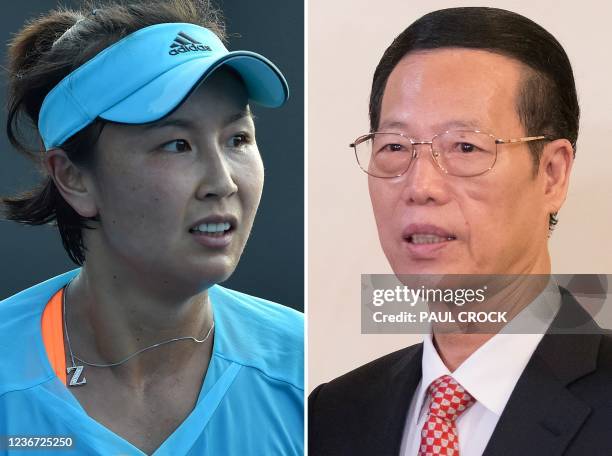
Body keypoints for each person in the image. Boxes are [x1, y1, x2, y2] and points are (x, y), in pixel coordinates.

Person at [0, 1, 303, 455]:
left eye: (237, 139)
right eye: (177, 144)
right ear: (73, 177)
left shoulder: (310, 372)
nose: (223, 182)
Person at [308, 7, 612, 456]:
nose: (421, 187)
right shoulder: (330, 415)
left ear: (551, 175)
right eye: (394, 146)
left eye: (465, 147)